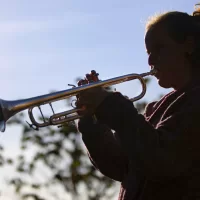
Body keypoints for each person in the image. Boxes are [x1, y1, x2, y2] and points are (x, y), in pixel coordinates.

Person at [76, 6, 200, 200]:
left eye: (159, 48)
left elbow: (162, 160)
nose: (150, 59)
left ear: (189, 46)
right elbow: (123, 168)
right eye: (148, 52)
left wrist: (111, 106)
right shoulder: (158, 107)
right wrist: (92, 119)